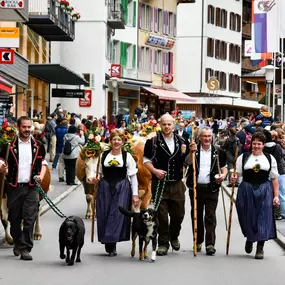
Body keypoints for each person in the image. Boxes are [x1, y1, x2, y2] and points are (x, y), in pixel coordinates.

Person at [0, 116, 47, 261]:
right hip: (14, 186)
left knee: (30, 218)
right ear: (18, 128)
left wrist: (41, 176)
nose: (27, 130)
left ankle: (25, 248)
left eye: (29, 127)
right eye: (24, 127)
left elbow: (44, 164)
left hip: (32, 187)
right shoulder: (9, 145)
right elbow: (1, 161)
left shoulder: (38, 145)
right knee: (14, 219)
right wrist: (2, 168)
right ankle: (18, 241)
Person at [143, 113, 190, 256]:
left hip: (177, 183)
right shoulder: (153, 142)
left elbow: (187, 159)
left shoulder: (182, 141)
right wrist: (155, 171)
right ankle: (163, 243)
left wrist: (192, 152)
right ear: (160, 125)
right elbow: (146, 160)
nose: (167, 126)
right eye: (164, 124)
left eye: (169, 124)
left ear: (174, 125)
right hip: (159, 183)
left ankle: (174, 235)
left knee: (178, 214)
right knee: (161, 215)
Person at [231, 132, 279, 259]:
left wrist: (276, 196)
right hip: (246, 189)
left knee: (263, 217)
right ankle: (250, 238)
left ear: (263, 145)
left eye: (259, 144)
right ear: (250, 144)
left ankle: (260, 247)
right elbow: (237, 174)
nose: (256, 146)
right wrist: (234, 178)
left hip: (264, 189)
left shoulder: (269, 158)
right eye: (254, 143)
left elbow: (274, 179)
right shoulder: (244, 157)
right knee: (247, 215)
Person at [93, 129, 139, 256]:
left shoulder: (127, 156)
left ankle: (112, 244)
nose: (116, 142)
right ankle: (108, 241)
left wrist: (135, 195)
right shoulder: (104, 155)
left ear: (123, 141)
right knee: (104, 213)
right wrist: (94, 179)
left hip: (122, 187)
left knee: (117, 213)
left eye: (119, 139)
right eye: (114, 139)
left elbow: (133, 176)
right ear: (110, 141)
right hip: (105, 186)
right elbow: (99, 173)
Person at [186, 126, 227, 255]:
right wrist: (190, 152)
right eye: (204, 136)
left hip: (212, 188)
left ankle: (210, 244)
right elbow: (186, 163)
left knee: (210, 216)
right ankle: (198, 241)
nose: (207, 139)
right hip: (196, 188)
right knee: (196, 215)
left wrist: (223, 176)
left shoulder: (218, 151)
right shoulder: (194, 150)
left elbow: (224, 168)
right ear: (199, 137)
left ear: (212, 137)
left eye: (209, 136)